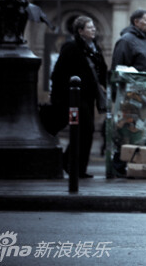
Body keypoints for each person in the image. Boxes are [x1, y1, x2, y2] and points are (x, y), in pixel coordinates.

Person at [49, 16, 108, 178]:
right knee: (86, 129)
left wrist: (107, 84)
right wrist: (57, 97)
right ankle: (71, 164)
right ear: (80, 31)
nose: (94, 29)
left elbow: (101, 70)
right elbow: (58, 73)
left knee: (84, 132)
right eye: (89, 27)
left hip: (89, 97)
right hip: (74, 97)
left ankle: (75, 166)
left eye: (94, 27)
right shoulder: (71, 47)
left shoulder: (95, 47)